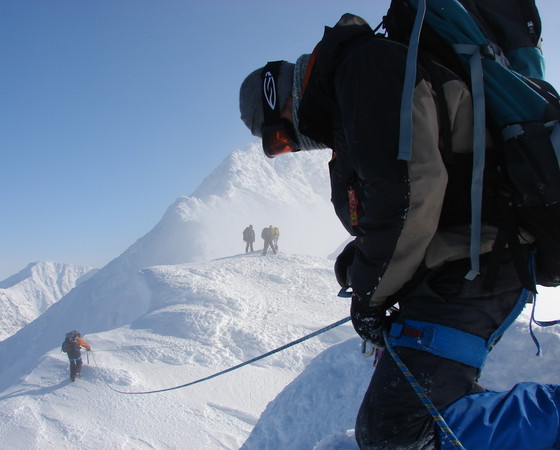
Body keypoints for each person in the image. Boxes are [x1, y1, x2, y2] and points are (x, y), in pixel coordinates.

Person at [239, 13, 560, 449]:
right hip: (467, 265)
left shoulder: (364, 72)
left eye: (279, 137)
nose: (293, 144)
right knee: (412, 423)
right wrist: (362, 258)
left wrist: (371, 296)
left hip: (478, 267)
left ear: (279, 97)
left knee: (398, 431)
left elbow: (410, 193)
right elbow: (411, 195)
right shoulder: (355, 90)